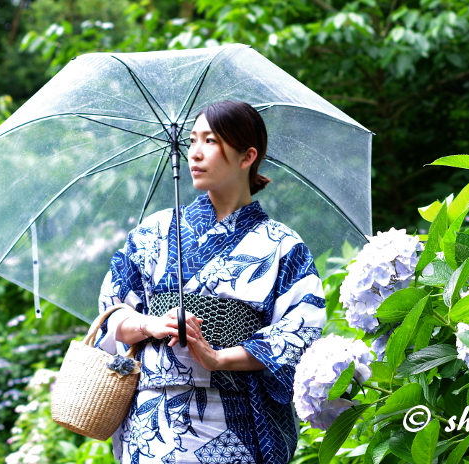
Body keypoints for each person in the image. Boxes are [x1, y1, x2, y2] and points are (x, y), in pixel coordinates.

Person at [95, 100, 325, 464]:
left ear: (247, 156)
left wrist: (218, 358)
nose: (195, 153)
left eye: (211, 141)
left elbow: (298, 334)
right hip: (154, 423)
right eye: (191, 141)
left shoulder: (283, 245)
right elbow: (112, 315)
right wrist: (151, 323)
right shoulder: (153, 232)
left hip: (238, 419)